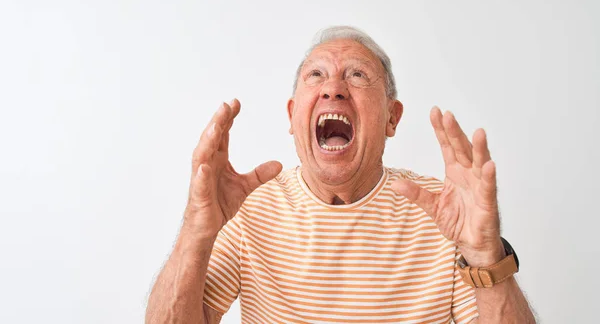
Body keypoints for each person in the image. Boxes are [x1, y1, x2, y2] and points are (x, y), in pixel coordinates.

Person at [146, 26, 536, 323]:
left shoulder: (445, 215)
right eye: (315, 75)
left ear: (391, 117)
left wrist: (485, 254)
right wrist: (197, 231)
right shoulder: (248, 209)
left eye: (357, 75)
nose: (333, 88)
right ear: (292, 114)